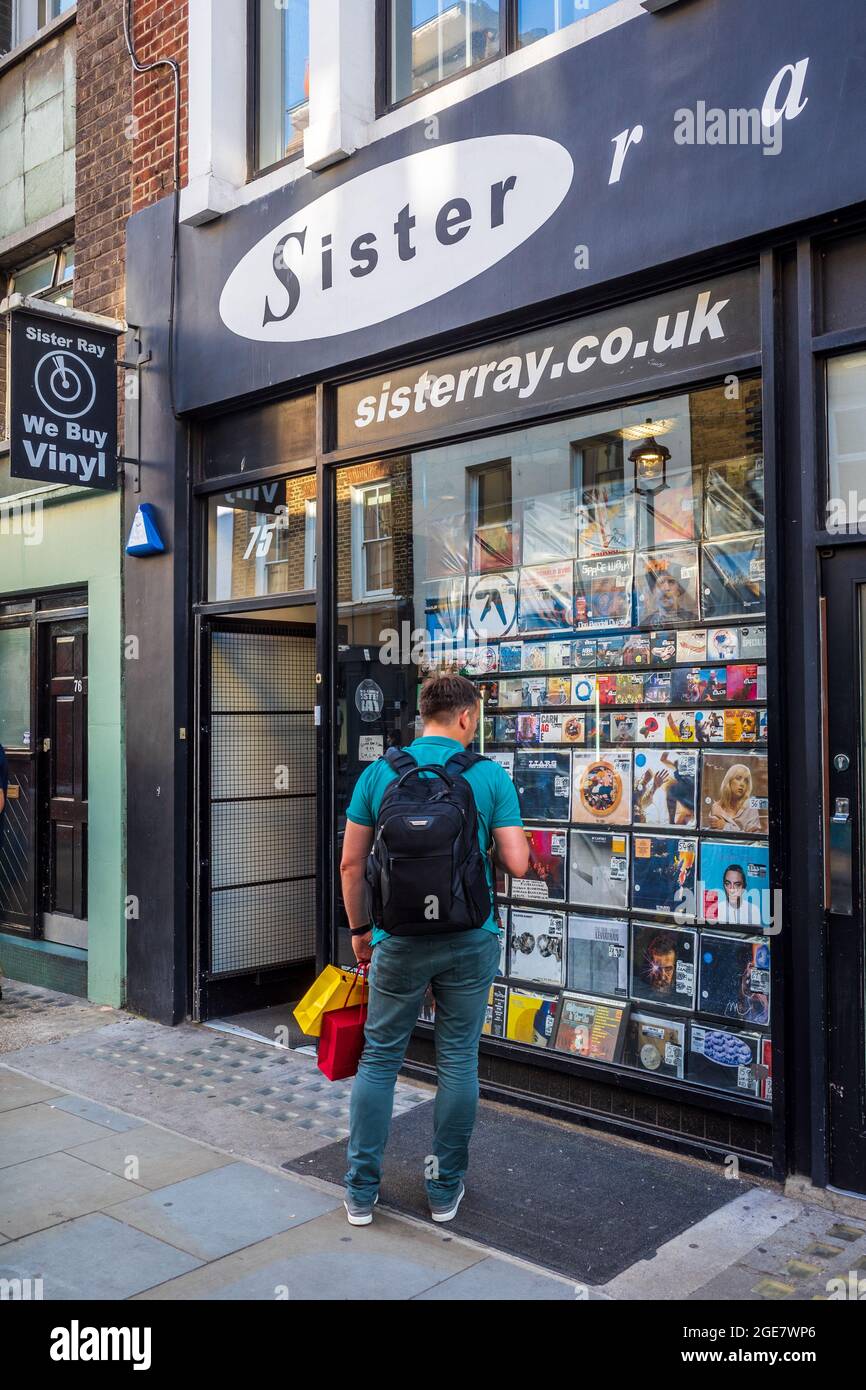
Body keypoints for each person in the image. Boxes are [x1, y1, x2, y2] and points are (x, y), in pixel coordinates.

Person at [340, 673, 528, 1227]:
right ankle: (444, 1190)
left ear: (424, 714)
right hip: (469, 939)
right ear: (467, 717)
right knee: (457, 1061)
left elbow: (352, 865)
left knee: (379, 1060)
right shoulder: (489, 776)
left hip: (396, 939)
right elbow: (517, 863)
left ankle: (360, 1191)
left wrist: (360, 932)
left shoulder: (379, 774)